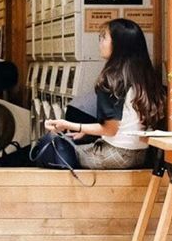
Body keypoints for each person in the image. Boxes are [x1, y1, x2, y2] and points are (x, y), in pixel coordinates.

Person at [44, 18, 165, 169]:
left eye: (104, 37)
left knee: (54, 149)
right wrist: (86, 132)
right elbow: (125, 124)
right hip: (140, 155)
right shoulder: (145, 76)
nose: (100, 42)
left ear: (119, 44)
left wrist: (68, 125)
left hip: (114, 155)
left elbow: (110, 129)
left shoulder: (112, 79)